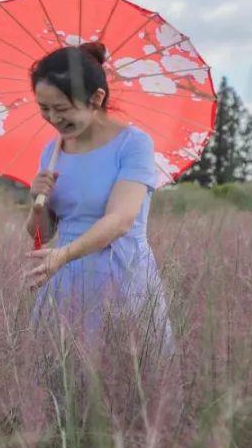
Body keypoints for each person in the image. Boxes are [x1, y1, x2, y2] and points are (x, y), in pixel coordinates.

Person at [24, 43, 173, 352]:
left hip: (122, 275)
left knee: (125, 378)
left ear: (96, 99)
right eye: (44, 108)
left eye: (62, 109)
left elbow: (120, 220)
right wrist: (37, 200)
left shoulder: (133, 144)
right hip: (64, 278)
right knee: (65, 380)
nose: (52, 118)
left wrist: (63, 255)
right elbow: (42, 235)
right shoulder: (52, 152)